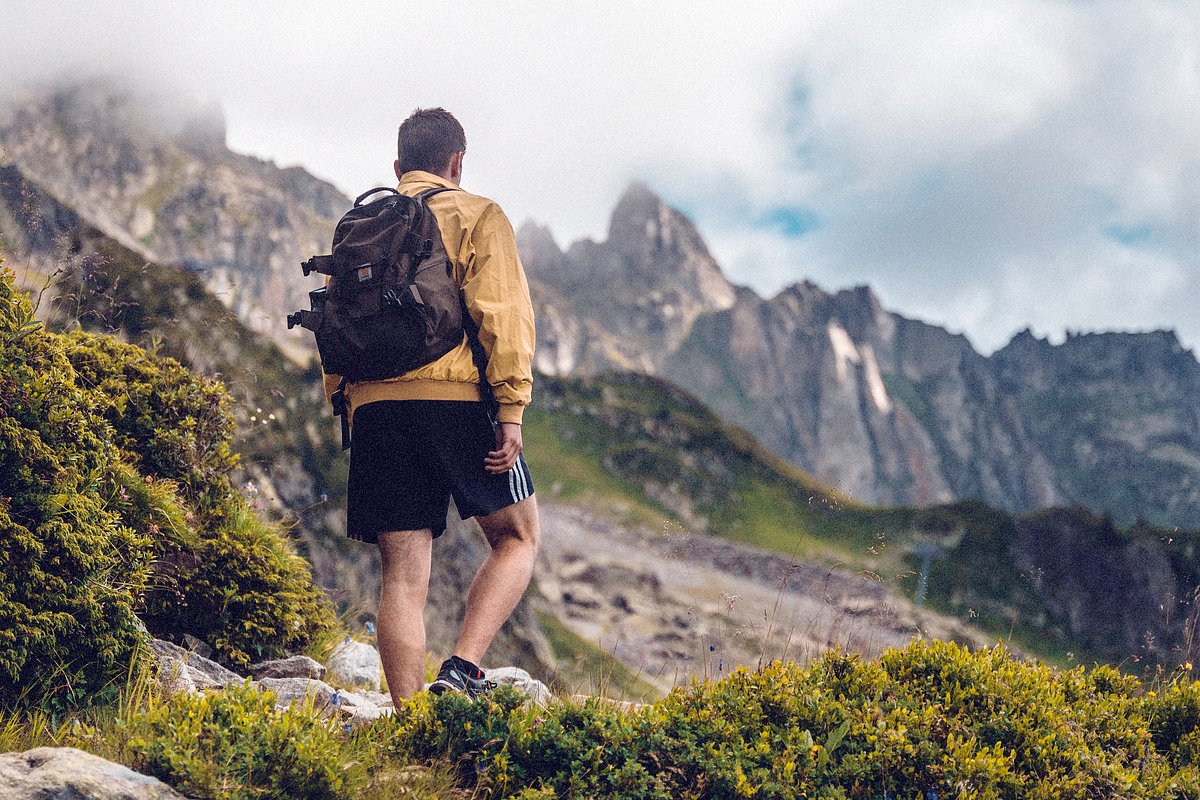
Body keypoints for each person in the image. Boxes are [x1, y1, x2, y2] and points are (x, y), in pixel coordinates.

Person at [323, 107, 539, 704]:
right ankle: (462, 670)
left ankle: (410, 721)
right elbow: (504, 319)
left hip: (375, 411)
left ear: (397, 167)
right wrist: (510, 411)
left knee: (401, 576)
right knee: (517, 537)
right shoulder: (478, 215)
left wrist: (352, 409)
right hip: (456, 401)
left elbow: (335, 327)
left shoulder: (358, 227)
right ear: (457, 163)